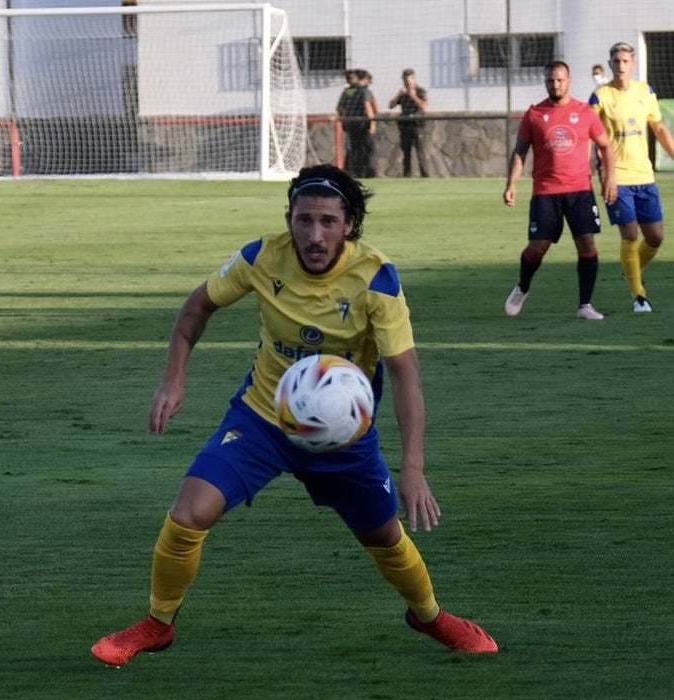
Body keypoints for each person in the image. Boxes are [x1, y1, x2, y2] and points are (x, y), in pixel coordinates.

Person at [90, 164, 499, 668]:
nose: (314, 234)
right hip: (263, 419)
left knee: (385, 536)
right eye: (304, 220)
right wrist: (174, 378)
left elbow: (406, 375)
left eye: (327, 221)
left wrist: (413, 469)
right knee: (188, 513)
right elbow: (195, 308)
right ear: (290, 220)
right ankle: (157, 624)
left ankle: (429, 615)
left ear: (349, 225)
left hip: (345, 436)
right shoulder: (262, 257)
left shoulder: (376, 279)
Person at [503, 61, 617, 321]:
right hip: (545, 191)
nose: (555, 84)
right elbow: (520, 151)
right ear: (545, 82)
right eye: (550, 80)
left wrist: (610, 178)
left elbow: (606, 146)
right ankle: (522, 286)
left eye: (559, 80)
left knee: (586, 243)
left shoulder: (585, 112)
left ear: (569, 81)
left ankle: (585, 305)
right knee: (537, 247)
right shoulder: (534, 114)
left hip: (580, 190)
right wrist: (512, 184)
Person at [589, 41, 674, 313]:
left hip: (644, 176)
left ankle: (631, 270)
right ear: (611, 64)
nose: (621, 66)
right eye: (616, 62)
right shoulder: (601, 96)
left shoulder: (645, 91)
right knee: (630, 233)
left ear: (633, 64)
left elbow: (659, 128)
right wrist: (598, 171)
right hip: (617, 177)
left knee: (656, 238)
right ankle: (639, 296)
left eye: (626, 62)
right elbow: (588, 134)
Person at [389, 68, 429, 178]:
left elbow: (424, 107)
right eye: (405, 80)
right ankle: (407, 175)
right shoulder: (402, 93)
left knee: (421, 152)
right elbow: (391, 105)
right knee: (406, 153)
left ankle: (425, 175)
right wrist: (399, 95)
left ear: (414, 79)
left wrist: (413, 96)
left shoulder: (420, 91)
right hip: (405, 125)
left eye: (409, 80)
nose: (408, 82)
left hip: (417, 125)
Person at [335, 69, 376, 178]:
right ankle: (366, 172)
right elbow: (367, 106)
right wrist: (372, 123)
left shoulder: (347, 91)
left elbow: (339, 107)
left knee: (354, 148)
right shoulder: (363, 90)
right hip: (362, 123)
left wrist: (345, 117)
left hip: (351, 124)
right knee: (366, 148)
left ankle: (353, 172)